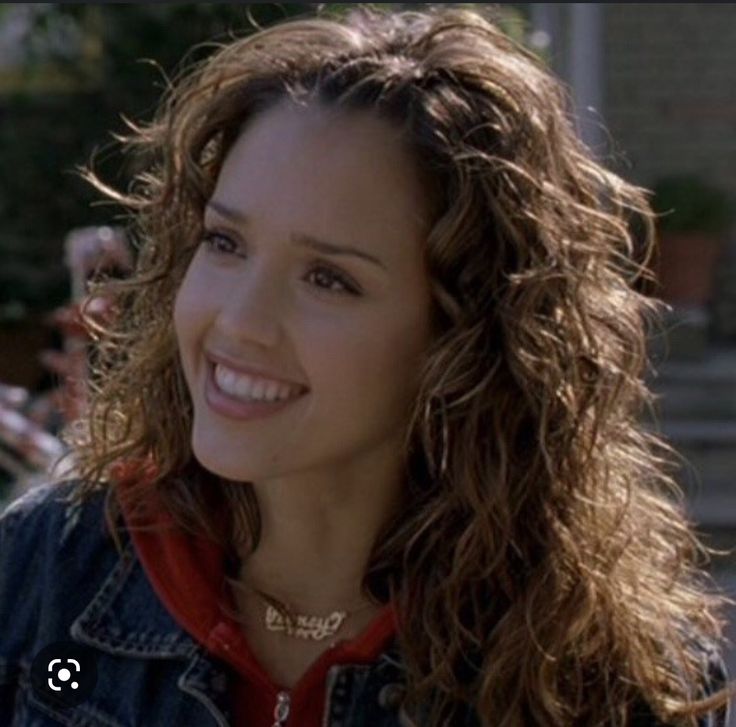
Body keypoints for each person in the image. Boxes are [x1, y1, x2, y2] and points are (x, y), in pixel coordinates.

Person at [0, 6, 733, 726]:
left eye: (329, 278)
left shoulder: (604, 678)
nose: (238, 322)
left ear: (464, 333)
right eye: (225, 243)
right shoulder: (43, 577)